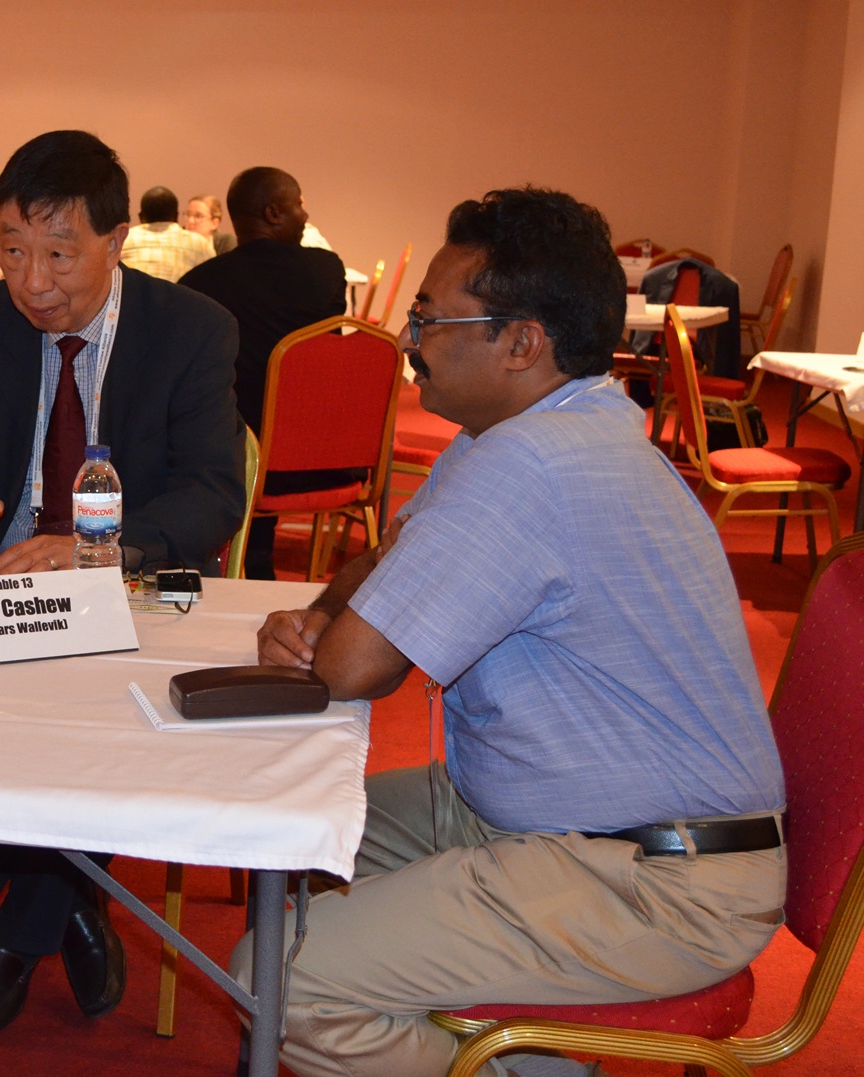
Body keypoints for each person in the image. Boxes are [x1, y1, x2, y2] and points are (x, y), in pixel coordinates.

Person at [244, 187, 785, 1077]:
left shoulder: (533, 463)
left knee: (276, 982)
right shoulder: (538, 426)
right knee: (286, 836)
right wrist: (321, 616)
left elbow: (352, 668)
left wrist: (323, 634)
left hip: (658, 879)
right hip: (550, 815)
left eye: (431, 319)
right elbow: (386, 555)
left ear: (522, 342)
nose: (410, 339)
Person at [0, 130, 242, 1041]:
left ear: (116, 240)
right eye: (12, 251)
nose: (32, 282)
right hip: (9, 585)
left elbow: (213, 492)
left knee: (114, 724)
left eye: (58, 254)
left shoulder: (192, 328)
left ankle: (17, 937)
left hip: (149, 582)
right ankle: (76, 906)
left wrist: (103, 552)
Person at [179, 167, 348, 579]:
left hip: (232, 461)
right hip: (322, 457)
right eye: (299, 205)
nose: (305, 215)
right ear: (274, 213)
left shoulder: (199, 283)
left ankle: (241, 559)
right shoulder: (325, 270)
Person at [119, 185, 214, 281]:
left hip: (134, 291)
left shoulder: (122, 240)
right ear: (176, 216)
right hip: (180, 291)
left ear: (141, 217)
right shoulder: (200, 244)